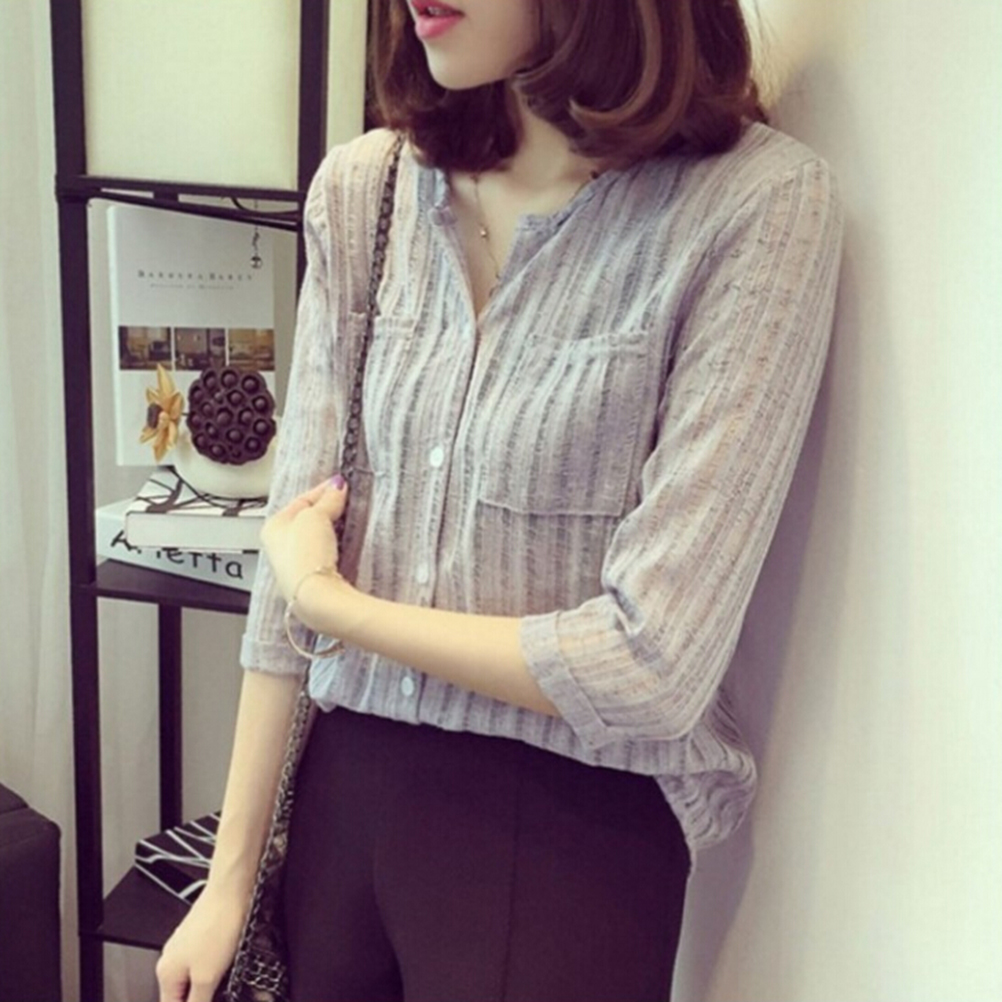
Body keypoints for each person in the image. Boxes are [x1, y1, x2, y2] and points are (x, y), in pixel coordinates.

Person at [156, 0, 843, 999]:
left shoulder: (753, 207)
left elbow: (653, 665)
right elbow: (292, 550)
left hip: (567, 832)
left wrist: (334, 606)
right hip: (340, 804)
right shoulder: (368, 189)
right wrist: (228, 884)